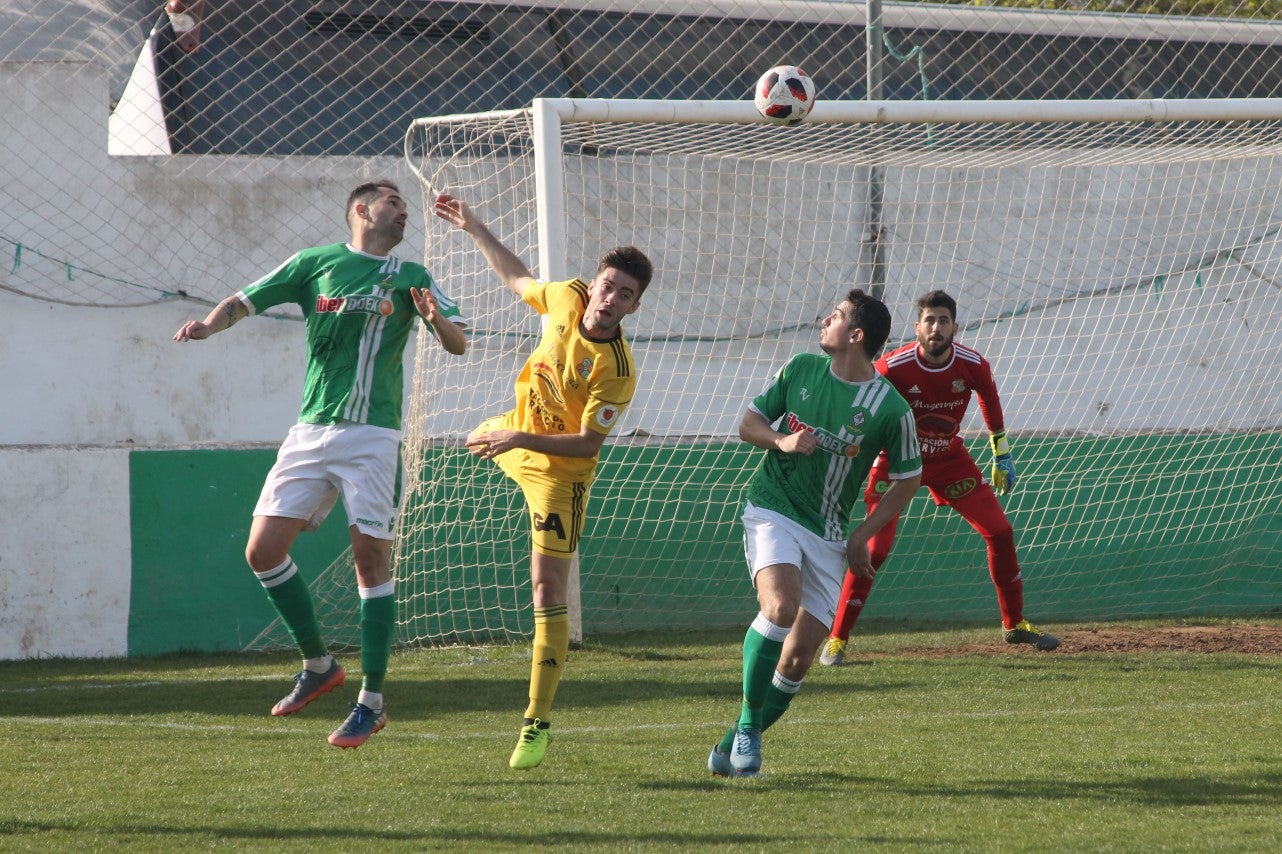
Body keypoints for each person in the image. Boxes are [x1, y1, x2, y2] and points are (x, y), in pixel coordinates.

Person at [174, 180, 468, 748]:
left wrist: (435, 320)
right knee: (261, 551)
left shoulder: (412, 277)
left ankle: (371, 703)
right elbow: (246, 298)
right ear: (361, 211)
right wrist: (211, 325)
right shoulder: (316, 263)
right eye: (393, 203)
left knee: (370, 562)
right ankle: (319, 666)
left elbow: (458, 344)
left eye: (406, 206)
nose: (404, 212)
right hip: (311, 431)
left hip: (373, 438)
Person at [432, 193, 653, 771]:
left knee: (546, 591)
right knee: (472, 437)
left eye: (624, 295)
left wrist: (519, 441)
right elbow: (518, 278)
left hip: (560, 475)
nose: (609, 298)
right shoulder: (567, 296)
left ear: (633, 307)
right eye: (608, 285)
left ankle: (535, 722)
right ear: (596, 284)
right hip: (514, 433)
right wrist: (475, 227)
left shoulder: (617, 371)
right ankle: (498, 438)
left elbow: (586, 444)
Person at [708, 289, 922, 778]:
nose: (825, 319)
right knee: (779, 607)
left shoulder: (890, 410)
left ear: (857, 335)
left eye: (838, 316)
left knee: (800, 659)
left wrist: (861, 534)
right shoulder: (799, 370)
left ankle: (729, 746)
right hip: (773, 508)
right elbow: (749, 422)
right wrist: (781, 439)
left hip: (828, 534)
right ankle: (747, 730)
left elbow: (909, 478)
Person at [819, 289, 1059, 668]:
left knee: (1000, 531)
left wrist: (1001, 451)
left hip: (950, 460)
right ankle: (836, 638)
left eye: (943, 320)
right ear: (917, 328)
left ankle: (1014, 625)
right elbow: (863, 401)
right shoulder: (892, 367)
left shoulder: (973, 364)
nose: (936, 327)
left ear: (955, 327)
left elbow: (989, 398)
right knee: (874, 550)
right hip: (896, 464)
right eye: (929, 320)